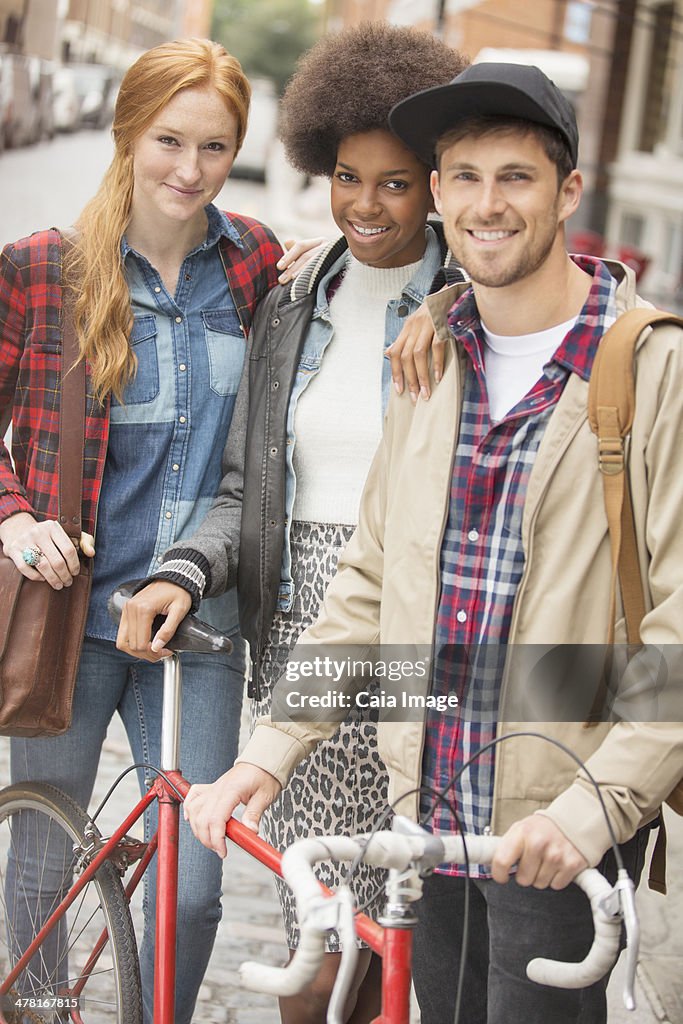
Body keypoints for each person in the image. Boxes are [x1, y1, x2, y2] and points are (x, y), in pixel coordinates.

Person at [181, 62, 683, 1024]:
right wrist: (271, 751)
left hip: (552, 827)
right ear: (442, 193)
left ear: (567, 191)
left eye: (514, 177)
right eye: (462, 176)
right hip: (431, 815)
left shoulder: (646, 369)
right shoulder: (434, 357)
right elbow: (369, 581)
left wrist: (588, 814)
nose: (485, 204)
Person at [116, 23, 468, 1024]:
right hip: (293, 637)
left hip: (410, 640)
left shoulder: (466, 302)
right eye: (346, 176)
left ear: (436, 185)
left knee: (394, 938)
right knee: (312, 940)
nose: (364, 203)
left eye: (395, 182)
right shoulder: (292, 298)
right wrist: (185, 568)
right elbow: (243, 490)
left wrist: (450, 304)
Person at [0, 38, 288, 1024]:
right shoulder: (44, 269)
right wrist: (16, 512)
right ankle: (35, 1007)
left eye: (214, 146)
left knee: (197, 883)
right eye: (169, 139)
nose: (188, 168)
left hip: (196, 628)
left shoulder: (254, 265)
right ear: (128, 133)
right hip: (67, 619)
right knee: (46, 855)